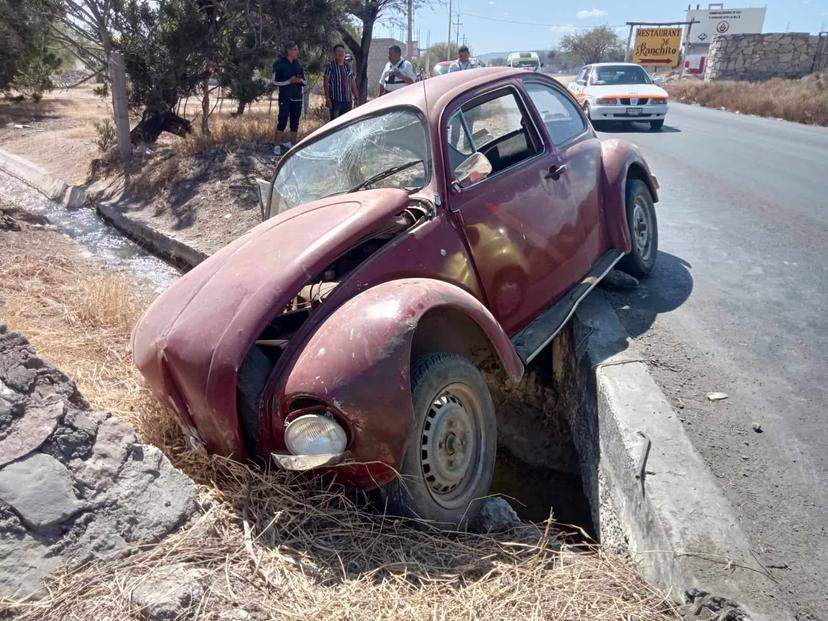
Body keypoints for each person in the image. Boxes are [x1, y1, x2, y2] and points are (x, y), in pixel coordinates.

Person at [271, 41, 306, 155]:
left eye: (297, 49)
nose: (297, 52)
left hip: (297, 97)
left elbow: (305, 81)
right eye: (295, 49)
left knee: (295, 121)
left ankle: (293, 144)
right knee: (282, 120)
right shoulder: (279, 63)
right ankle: (276, 145)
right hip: (285, 97)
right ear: (289, 50)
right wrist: (288, 81)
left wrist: (299, 80)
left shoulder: (298, 64)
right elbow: (274, 81)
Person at [324, 44, 359, 121]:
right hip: (335, 101)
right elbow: (326, 82)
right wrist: (327, 98)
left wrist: (356, 97)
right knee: (335, 124)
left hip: (347, 101)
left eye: (342, 51)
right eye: (338, 51)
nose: (341, 53)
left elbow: (352, 82)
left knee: (346, 124)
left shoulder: (348, 67)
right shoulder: (330, 66)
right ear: (334, 54)